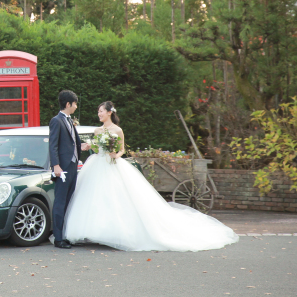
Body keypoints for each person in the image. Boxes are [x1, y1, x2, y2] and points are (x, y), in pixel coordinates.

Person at [64, 101, 239, 252]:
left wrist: (116, 156)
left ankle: (115, 233)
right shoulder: (97, 131)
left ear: (109, 112)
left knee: (116, 199)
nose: (99, 114)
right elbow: (97, 148)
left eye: (101, 111)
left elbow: (122, 149)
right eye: (98, 111)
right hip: (97, 164)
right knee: (94, 199)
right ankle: (93, 232)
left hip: (112, 165)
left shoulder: (117, 130)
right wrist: (90, 147)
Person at [48, 90, 90, 249]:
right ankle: (58, 238)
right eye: (75, 104)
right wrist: (56, 165)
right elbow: (53, 145)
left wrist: (82, 146)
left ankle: (65, 234)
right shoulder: (56, 121)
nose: (76, 106)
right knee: (60, 202)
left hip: (72, 167)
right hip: (62, 169)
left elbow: (71, 143)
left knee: (69, 201)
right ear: (68, 104)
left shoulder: (69, 121)